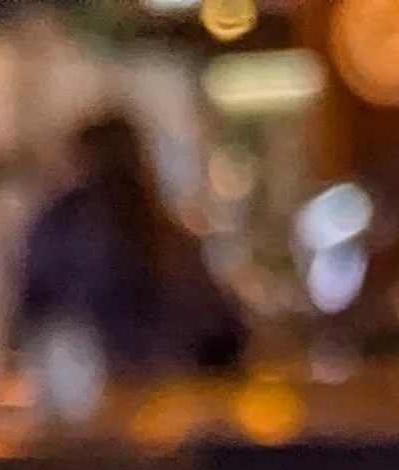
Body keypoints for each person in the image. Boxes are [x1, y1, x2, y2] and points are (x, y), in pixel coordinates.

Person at [18, 114, 246, 380]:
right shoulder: (164, 229)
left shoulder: (65, 223)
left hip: (93, 390)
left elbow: (35, 309)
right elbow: (222, 330)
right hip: (175, 392)